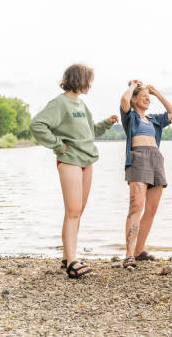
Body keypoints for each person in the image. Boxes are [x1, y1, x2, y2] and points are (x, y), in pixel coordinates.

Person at [30, 63, 117, 278]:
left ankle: (68, 256)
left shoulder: (82, 105)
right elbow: (37, 125)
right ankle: (71, 262)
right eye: (89, 80)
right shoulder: (59, 103)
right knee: (73, 210)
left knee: (78, 210)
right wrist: (59, 145)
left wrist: (106, 123)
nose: (90, 84)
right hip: (69, 160)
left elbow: (91, 131)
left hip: (87, 159)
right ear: (79, 79)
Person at [120, 80, 172, 268]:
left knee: (151, 210)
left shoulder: (153, 119)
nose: (147, 98)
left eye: (148, 96)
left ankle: (139, 251)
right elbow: (124, 100)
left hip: (156, 159)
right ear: (134, 99)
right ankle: (129, 254)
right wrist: (131, 86)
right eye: (142, 95)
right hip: (138, 158)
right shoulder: (131, 117)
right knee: (136, 206)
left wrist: (156, 92)